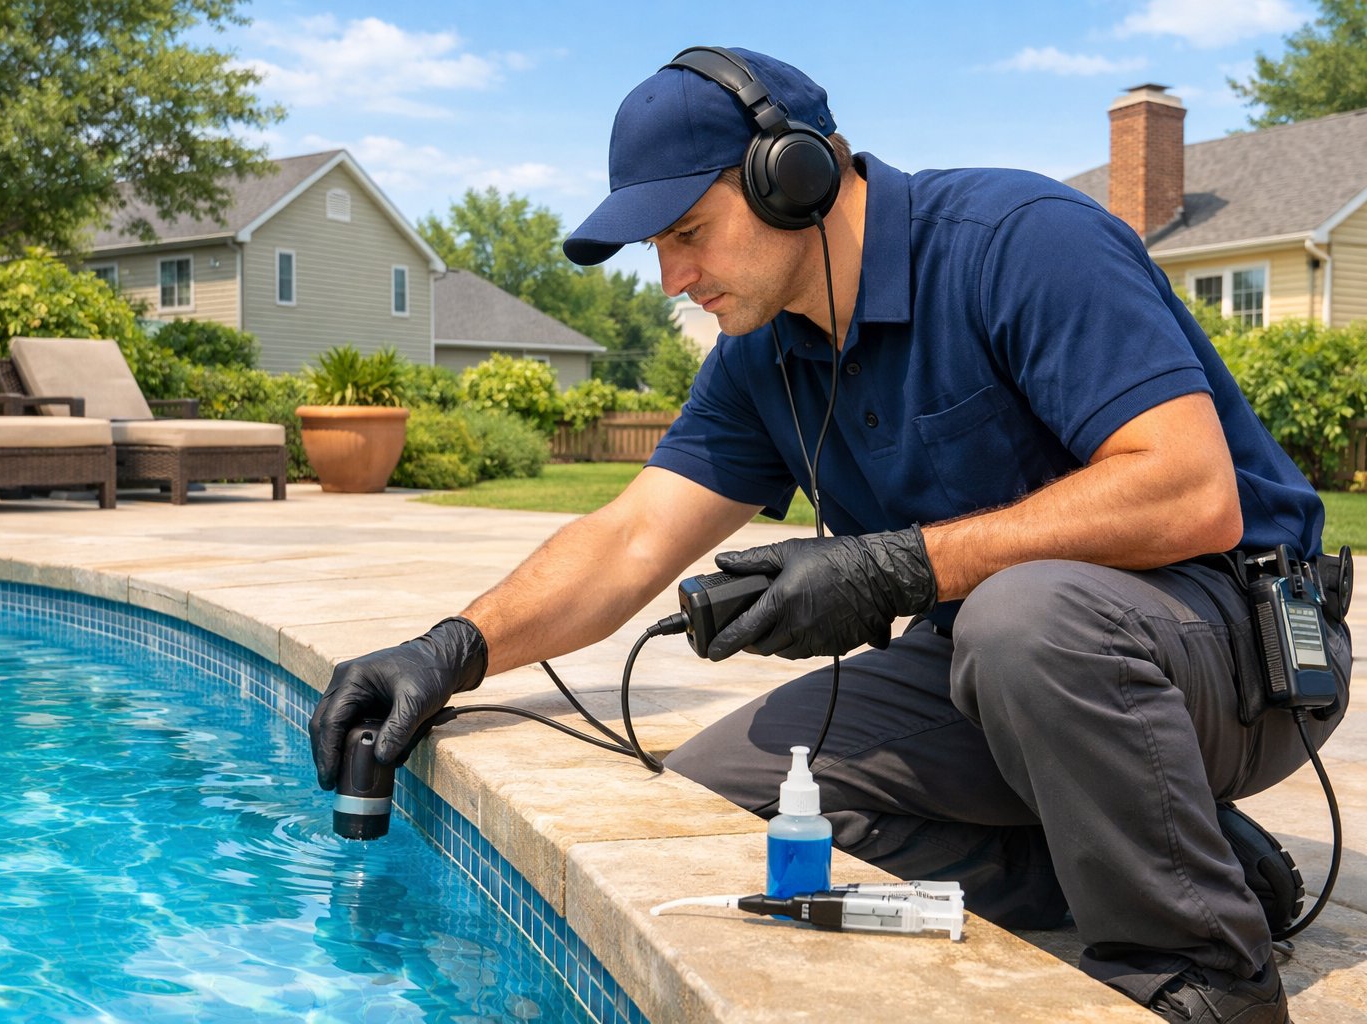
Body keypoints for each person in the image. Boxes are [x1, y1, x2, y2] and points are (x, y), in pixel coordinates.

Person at [309, 46, 1350, 1023]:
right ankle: (1166, 846)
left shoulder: (1021, 243)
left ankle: (1203, 975)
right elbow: (631, 537)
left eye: (686, 232)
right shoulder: (762, 355)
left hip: (1232, 645)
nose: (673, 278)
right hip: (1002, 667)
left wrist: (897, 564)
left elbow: (1187, 491)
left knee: (1025, 616)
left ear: (792, 175)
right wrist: (451, 649)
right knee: (734, 811)